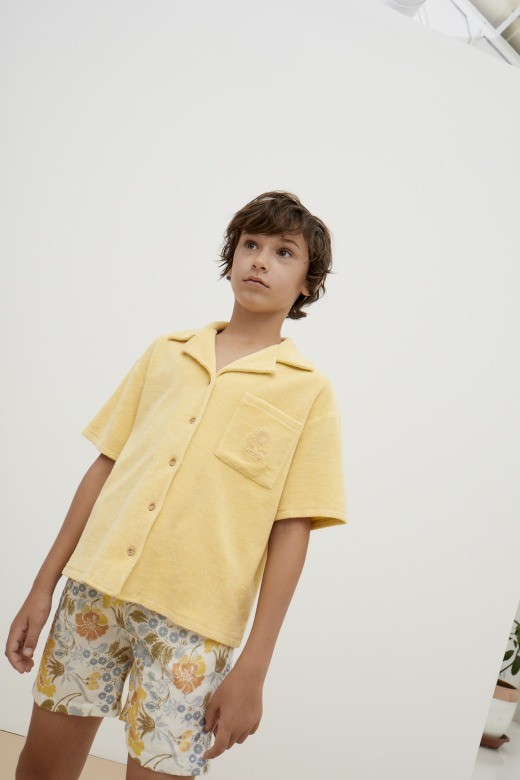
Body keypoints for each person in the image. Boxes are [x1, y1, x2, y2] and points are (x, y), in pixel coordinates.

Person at [6, 190, 348, 779]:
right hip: (94, 593)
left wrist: (255, 666)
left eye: (283, 252)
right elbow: (105, 469)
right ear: (231, 256)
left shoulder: (307, 391)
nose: (260, 260)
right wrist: (44, 585)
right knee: (40, 769)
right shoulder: (167, 354)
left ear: (307, 283)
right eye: (251, 244)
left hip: (194, 626)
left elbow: (292, 530)